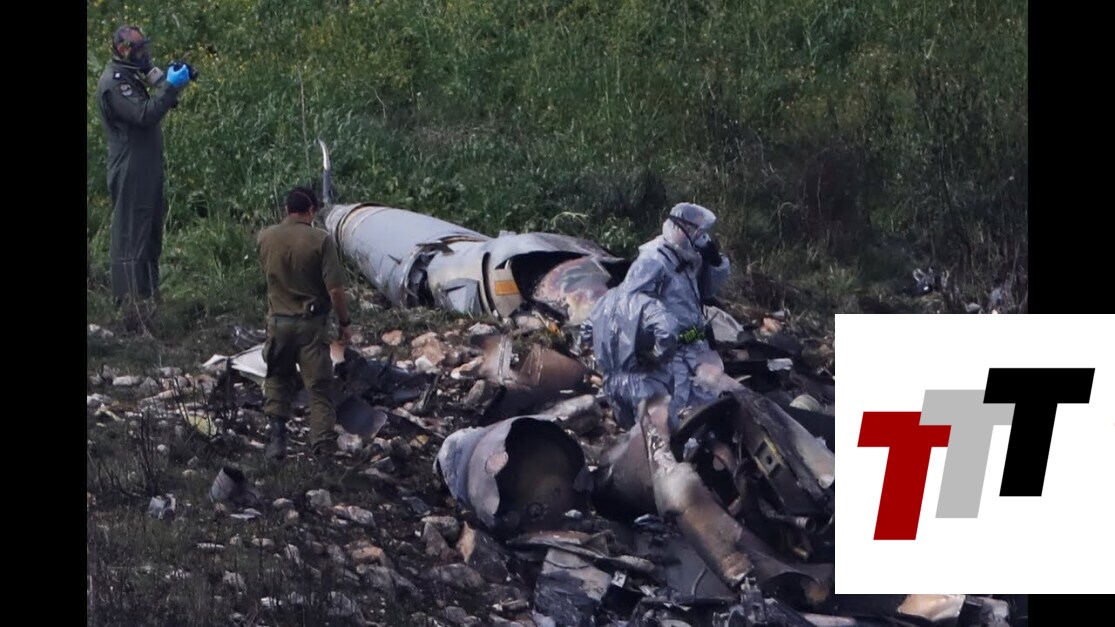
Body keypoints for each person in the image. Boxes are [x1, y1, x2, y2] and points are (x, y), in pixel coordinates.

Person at [586, 202, 731, 432]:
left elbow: (705, 291)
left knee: (706, 410)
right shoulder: (654, 260)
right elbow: (630, 306)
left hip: (695, 347)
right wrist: (649, 349)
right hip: (671, 354)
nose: (700, 237)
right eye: (696, 231)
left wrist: (716, 264)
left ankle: (702, 450)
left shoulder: (686, 258)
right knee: (676, 416)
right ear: (679, 228)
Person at [95, 25, 193, 325]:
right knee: (132, 232)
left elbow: (162, 97)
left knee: (149, 231)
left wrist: (173, 80)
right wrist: (170, 88)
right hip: (130, 166)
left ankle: (148, 296)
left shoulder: (132, 74)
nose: (144, 54)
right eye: (139, 49)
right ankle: (129, 305)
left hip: (146, 166)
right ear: (123, 50)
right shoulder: (115, 83)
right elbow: (145, 114)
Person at [256, 186, 354, 459]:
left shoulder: (265, 237)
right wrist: (345, 322)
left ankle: (277, 439)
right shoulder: (320, 240)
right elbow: (335, 290)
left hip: (278, 324)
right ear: (311, 210)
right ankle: (322, 447)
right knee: (319, 387)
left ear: (286, 210)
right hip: (311, 326)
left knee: (277, 379)